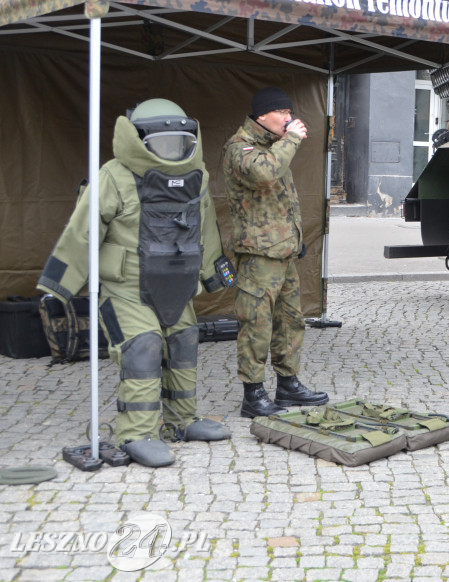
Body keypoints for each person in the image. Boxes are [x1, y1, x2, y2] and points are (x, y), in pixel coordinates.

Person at [38, 99, 235, 467]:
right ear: (139, 139)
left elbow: (206, 227)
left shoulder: (198, 176)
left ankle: (181, 422)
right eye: (162, 142)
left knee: (184, 342)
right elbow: (83, 232)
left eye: (178, 141)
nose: (171, 150)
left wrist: (211, 274)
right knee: (142, 347)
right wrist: (58, 286)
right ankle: (137, 433)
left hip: (178, 285)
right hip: (127, 288)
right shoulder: (114, 176)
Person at [222, 86, 329, 418]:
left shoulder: (274, 147)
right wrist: (292, 139)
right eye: (281, 112)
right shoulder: (240, 149)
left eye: (289, 112)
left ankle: (288, 384)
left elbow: (284, 201)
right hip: (258, 256)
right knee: (256, 324)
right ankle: (253, 395)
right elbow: (264, 173)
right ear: (261, 116)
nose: (288, 118)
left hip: (283, 252)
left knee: (290, 322)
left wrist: (296, 239)